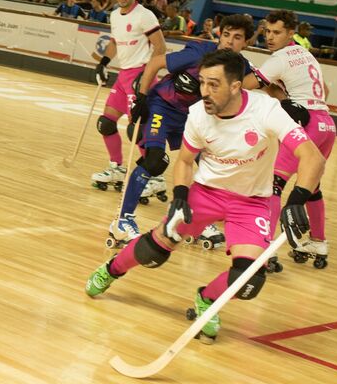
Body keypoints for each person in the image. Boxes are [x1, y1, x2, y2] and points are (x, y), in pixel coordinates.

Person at [86, 48, 326, 343]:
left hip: (251, 203)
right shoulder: (198, 114)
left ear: (236, 86)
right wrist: (180, 197)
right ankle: (110, 270)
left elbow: (312, 157)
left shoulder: (266, 110)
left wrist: (297, 199)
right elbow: (185, 161)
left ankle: (207, 301)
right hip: (205, 194)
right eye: (202, 83)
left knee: (249, 278)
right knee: (156, 249)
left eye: (214, 84)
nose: (205, 92)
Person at [109, 14, 258, 247]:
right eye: (226, 34)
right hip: (163, 107)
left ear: (246, 43)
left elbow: (258, 86)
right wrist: (141, 98)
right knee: (155, 161)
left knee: (209, 164)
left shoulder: (241, 68)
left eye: (237, 38)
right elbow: (156, 62)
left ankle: (194, 217)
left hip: (193, 118)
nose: (229, 41)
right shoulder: (198, 54)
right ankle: (122, 220)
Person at [244, 10, 337, 270]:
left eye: (277, 33)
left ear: (290, 33)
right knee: (312, 187)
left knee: (274, 184)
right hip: (326, 125)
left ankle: (265, 248)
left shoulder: (279, 58)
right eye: (267, 32)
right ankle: (318, 242)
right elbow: (325, 91)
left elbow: (248, 84)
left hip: (306, 124)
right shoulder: (305, 54)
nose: (270, 38)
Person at [90, 0, 164, 191]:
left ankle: (155, 178)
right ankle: (116, 168)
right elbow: (115, 42)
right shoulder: (114, 15)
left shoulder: (145, 16)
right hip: (124, 76)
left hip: (141, 75)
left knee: (138, 130)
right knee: (106, 123)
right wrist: (103, 63)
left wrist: (147, 75)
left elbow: (160, 48)